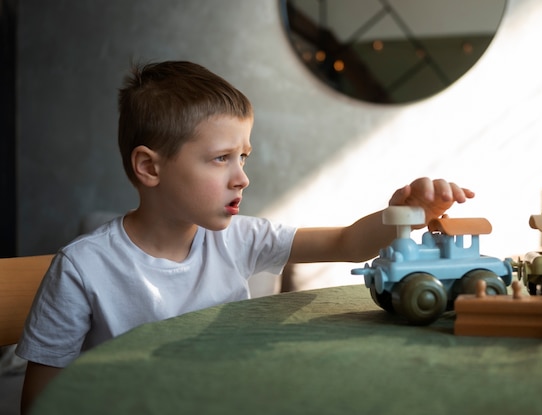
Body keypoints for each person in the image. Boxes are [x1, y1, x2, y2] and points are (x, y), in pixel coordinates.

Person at [16, 60, 474, 413]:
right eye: (221, 159)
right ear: (150, 167)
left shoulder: (240, 237)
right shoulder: (82, 267)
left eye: (244, 157)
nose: (242, 178)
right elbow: (41, 401)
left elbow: (347, 244)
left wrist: (405, 212)